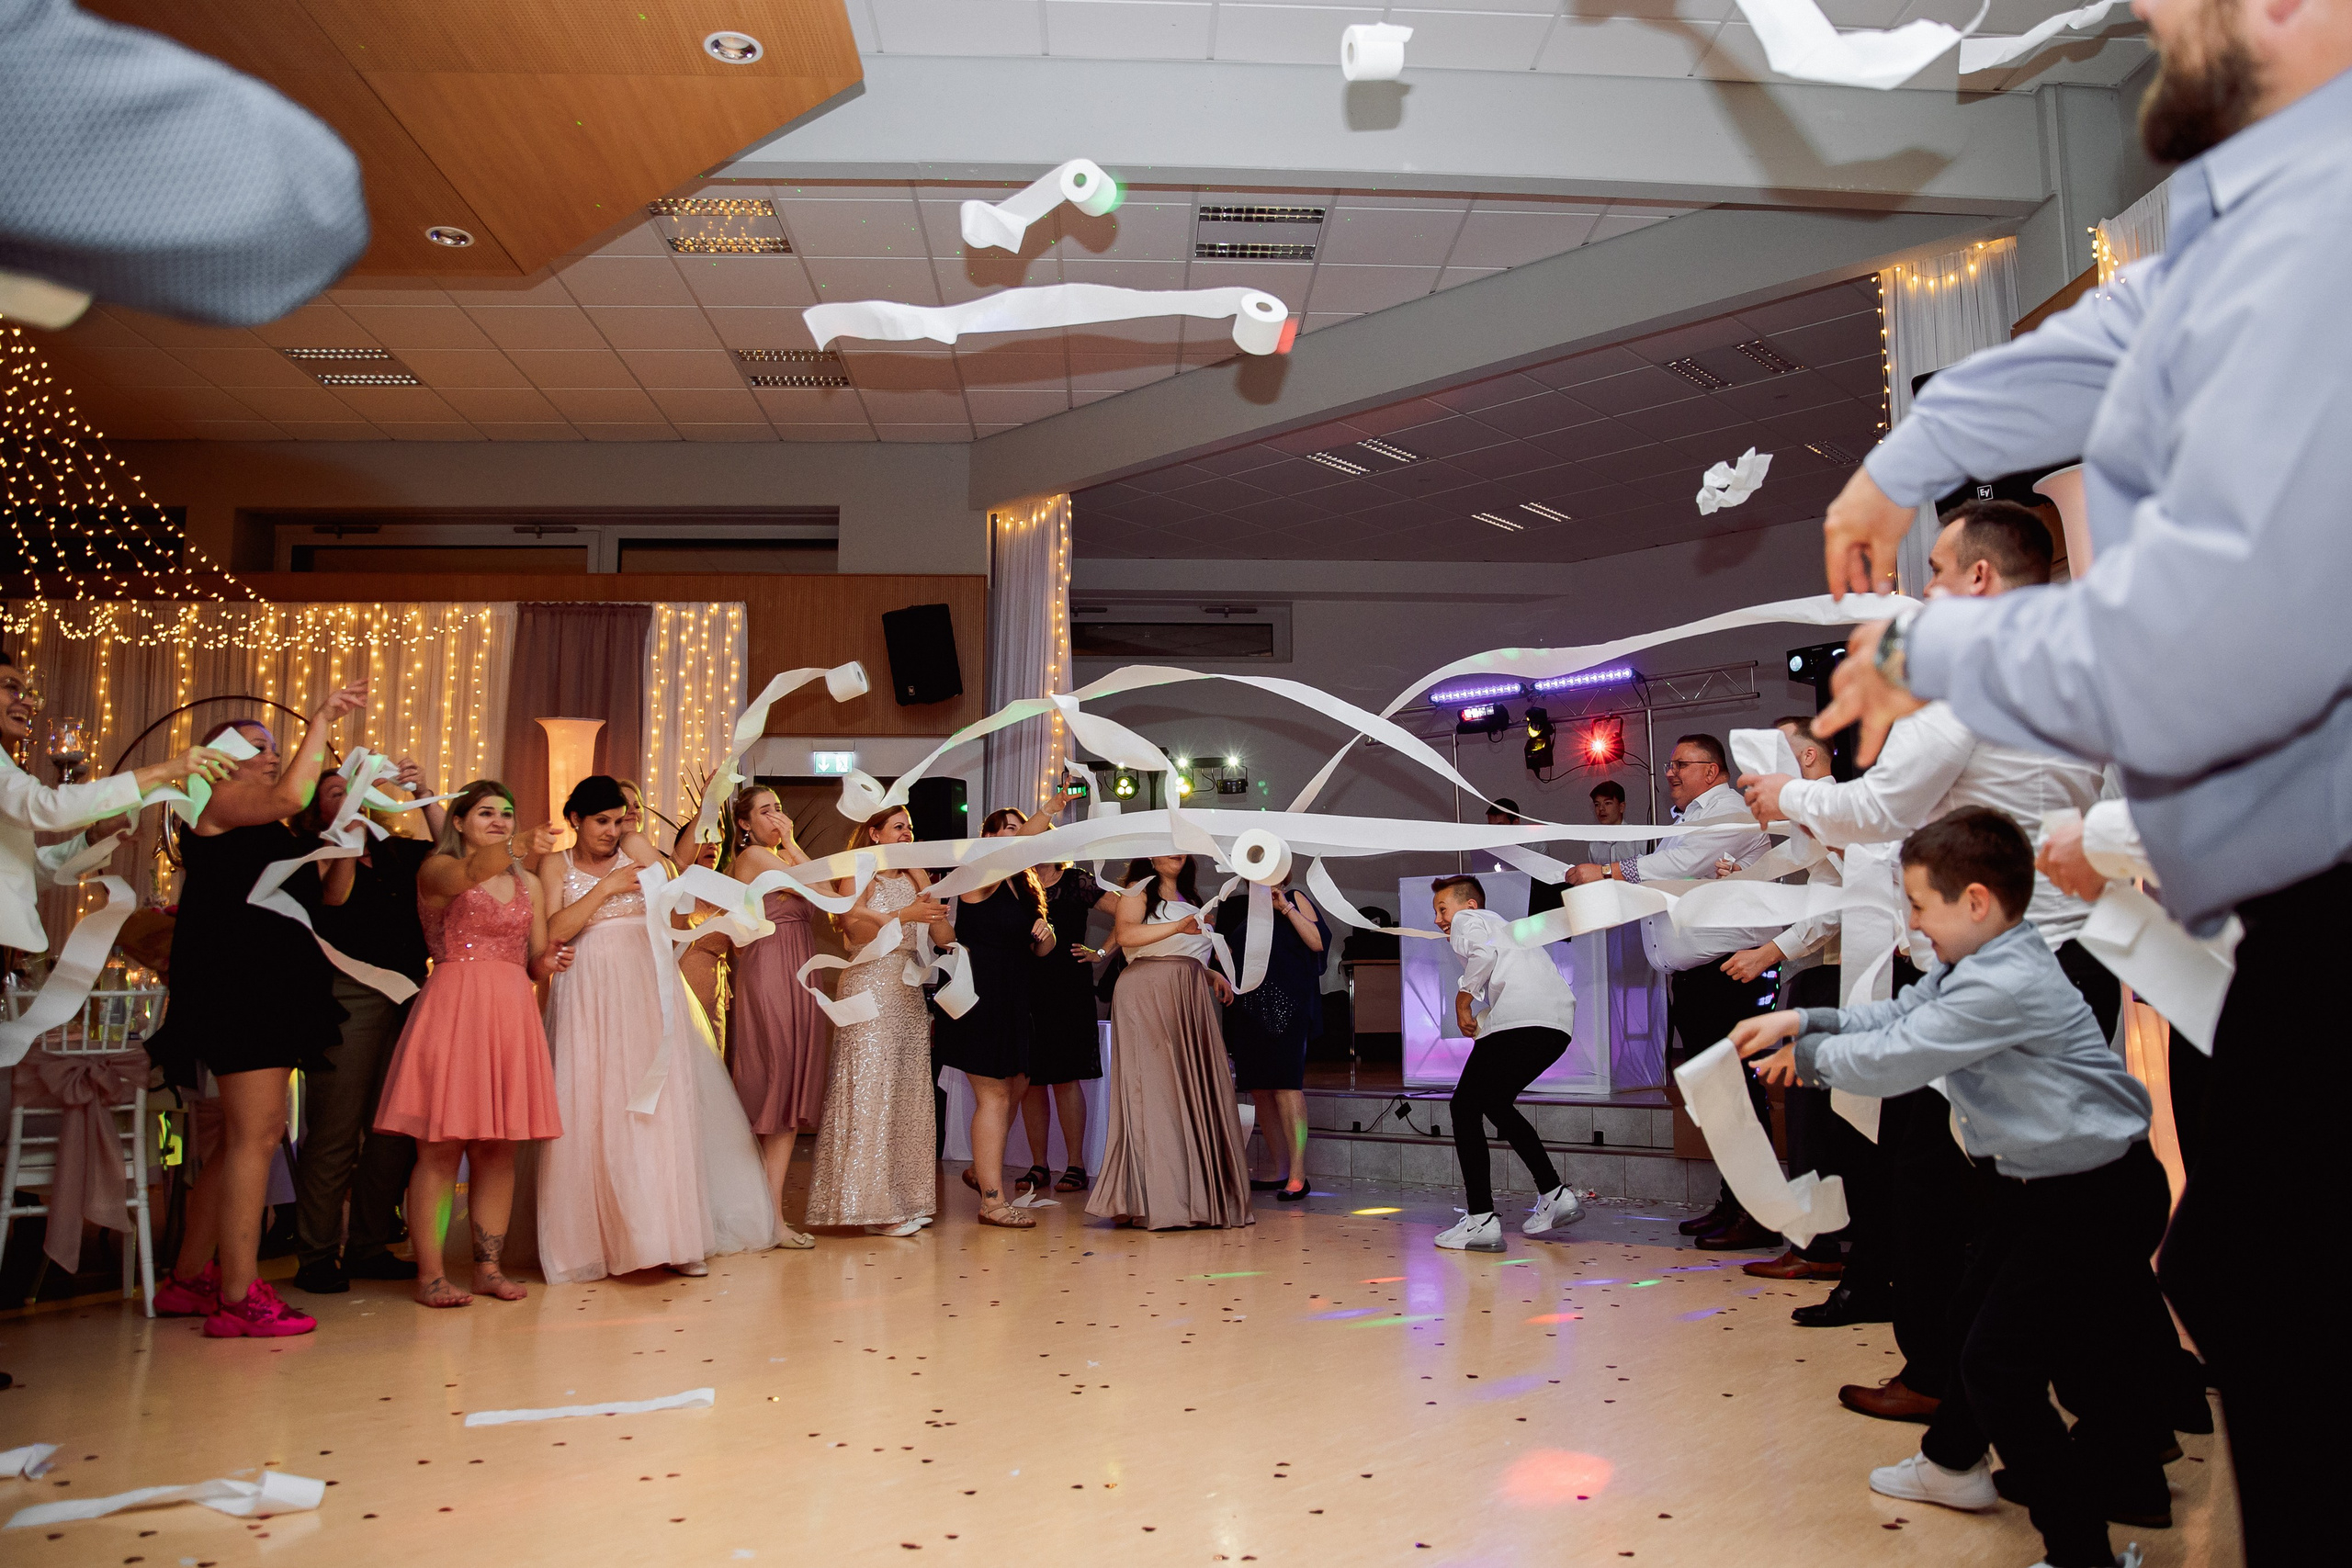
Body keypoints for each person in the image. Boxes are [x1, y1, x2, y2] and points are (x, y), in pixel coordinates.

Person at [1813, 14, 2352, 1551]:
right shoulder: (2258, 212)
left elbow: (2207, 643)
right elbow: (2110, 343)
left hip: (2321, 899)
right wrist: (1903, 459)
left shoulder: (2332, 223)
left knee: (2279, 1309)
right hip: (2268, 920)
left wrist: (1929, 644)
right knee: (2240, 1279)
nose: (2149, 22)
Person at [1734, 809, 2175, 1568]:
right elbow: (1901, 1011)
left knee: (2000, 1367)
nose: (1910, 923)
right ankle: (1955, 1467)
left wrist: (1805, 1058)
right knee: (1975, 1320)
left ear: (1974, 902)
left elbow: (1901, 1055)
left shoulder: (2002, 981)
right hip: (2044, 1185)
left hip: (2092, 1194)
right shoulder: (1977, 962)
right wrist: (1807, 1015)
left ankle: (2083, 1554)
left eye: (1917, 905)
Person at [1747, 502, 2111, 1417]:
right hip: (2072, 958)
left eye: (1941, 572)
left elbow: (1881, 806)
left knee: (1943, 1191)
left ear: (1980, 581)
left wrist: (1782, 794)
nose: (1928, 592)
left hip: (1998, 968)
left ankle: (1953, 1388)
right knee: (2045, 1195)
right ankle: (2122, 1403)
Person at [143, 686, 367, 1338]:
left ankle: (190, 1278)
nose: (270, 754)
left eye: (275, 744)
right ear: (216, 758)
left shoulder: (269, 827)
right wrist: (322, 719)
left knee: (247, 1135)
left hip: (272, 987)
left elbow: (332, 897)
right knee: (257, 1132)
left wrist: (347, 839)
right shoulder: (211, 802)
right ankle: (238, 1296)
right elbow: (291, 794)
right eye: (256, 744)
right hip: (237, 988)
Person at [537, 775, 777, 1281]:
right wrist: (604, 888)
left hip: (646, 989)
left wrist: (637, 844)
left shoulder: (636, 851)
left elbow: (676, 888)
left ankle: (675, 1236)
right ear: (574, 820)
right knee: (591, 1104)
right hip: (587, 994)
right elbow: (554, 930)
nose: (610, 829)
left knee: (658, 1105)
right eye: (600, 820)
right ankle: (597, 1242)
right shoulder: (555, 865)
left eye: (618, 819)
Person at [1568, 734, 1779, 1249]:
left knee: (1735, 1097)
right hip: (1697, 978)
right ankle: (1734, 1204)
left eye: (1680, 764)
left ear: (1713, 771)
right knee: (1716, 1097)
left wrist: (1609, 871)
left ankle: (1758, 1212)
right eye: (1669, 765)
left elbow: (1679, 869)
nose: (1670, 773)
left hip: (1726, 975)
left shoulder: (1727, 810)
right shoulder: (1686, 820)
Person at [372, 782, 569, 1306]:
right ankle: (431, 1275)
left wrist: (546, 962)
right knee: (439, 1149)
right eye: (487, 813)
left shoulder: (529, 882)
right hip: (455, 1008)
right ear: (458, 822)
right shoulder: (438, 869)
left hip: (510, 1010)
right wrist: (520, 841)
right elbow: (468, 874)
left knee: (497, 1149)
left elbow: (533, 955)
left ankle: (488, 1268)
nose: (501, 821)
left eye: (507, 813)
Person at [286, 758, 446, 1296]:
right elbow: (335, 898)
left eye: (354, 789)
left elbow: (453, 852)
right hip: (345, 994)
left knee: (393, 1129)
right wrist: (347, 837)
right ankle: (316, 1253)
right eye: (336, 792)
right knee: (335, 1127)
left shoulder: (400, 852)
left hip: (407, 993)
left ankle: (371, 1243)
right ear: (314, 813)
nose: (350, 796)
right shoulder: (310, 855)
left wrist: (423, 793)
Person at [1723, 717, 1860, 1288]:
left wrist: (1769, 952)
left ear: (1803, 763)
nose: (1750, 791)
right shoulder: (1813, 819)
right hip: (1819, 977)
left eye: (1757, 777)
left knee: (1817, 1123)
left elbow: (1842, 902)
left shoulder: (1832, 807)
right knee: (1812, 1121)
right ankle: (1817, 1239)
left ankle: (1820, 1243)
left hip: (1836, 980)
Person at [806, 804, 956, 1236]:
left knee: (907, 1094)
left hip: (908, 990)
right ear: (874, 834)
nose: (907, 833)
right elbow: (850, 928)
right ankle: (870, 1206)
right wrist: (903, 916)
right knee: (872, 1088)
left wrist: (932, 902)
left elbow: (943, 937)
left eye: (910, 826)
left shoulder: (917, 877)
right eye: (898, 827)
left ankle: (904, 1199)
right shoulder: (859, 870)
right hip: (870, 983)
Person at [1086, 854, 1252, 1231]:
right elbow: (1128, 937)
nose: (1175, 852)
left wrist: (1209, 973)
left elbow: (1179, 948)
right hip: (1149, 992)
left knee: (1193, 1090)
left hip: (1189, 993)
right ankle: (1156, 1198)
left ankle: (1196, 1194)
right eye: (1167, 846)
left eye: (1181, 847)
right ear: (1150, 854)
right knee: (1158, 1090)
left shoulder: (1191, 895)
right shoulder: (1137, 891)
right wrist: (1181, 925)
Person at [1427, 875, 1582, 1252]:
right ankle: (1554, 1193)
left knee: (1464, 1106)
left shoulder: (1470, 921)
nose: (1438, 920)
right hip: (1555, 1027)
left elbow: (1482, 956)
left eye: (1442, 909)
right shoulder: (1506, 928)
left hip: (1522, 1021)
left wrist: (1463, 1001)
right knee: (1493, 1104)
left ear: (1469, 906)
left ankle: (1480, 1218)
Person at [938, 807, 1062, 1227]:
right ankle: (992, 1201)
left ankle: (981, 1168)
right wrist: (1052, 808)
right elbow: (1015, 846)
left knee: (1018, 1083)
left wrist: (1047, 934)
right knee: (992, 1094)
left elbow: (1039, 952)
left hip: (1015, 994)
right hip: (981, 993)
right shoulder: (980, 874)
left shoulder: (1024, 885)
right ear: (989, 836)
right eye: (1008, 831)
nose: (1017, 837)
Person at [721, 785, 827, 1239]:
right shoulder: (754, 859)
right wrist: (791, 846)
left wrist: (792, 843)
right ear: (744, 824)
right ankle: (750, 1211)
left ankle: (771, 1217)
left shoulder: (781, 854)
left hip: (801, 967)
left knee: (789, 1094)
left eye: (779, 808)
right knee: (774, 1075)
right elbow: (819, 890)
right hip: (768, 968)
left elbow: (826, 895)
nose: (776, 817)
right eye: (765, 811)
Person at [1212, 875, 1329, 1201]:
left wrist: (1287, 908)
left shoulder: (1294, 897)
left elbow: (1318, 942)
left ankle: (1298, 1174)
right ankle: (1280, 1169)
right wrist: (1222, 954)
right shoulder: (1239, 906)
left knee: (1287, 1085)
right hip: (1249, 1007)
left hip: (1289, 1004)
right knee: (1261, 1088)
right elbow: (1236, 958)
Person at [1020, 854, 1120, 1196]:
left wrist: (1101, 953)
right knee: (1030, 1078)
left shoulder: (1077, 880)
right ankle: (1039, 1165)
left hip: (1067, 985)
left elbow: (1127, 913)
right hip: (1026, 984)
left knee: (1065, 1077)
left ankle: (1075, 1163)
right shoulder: (1017, 881)